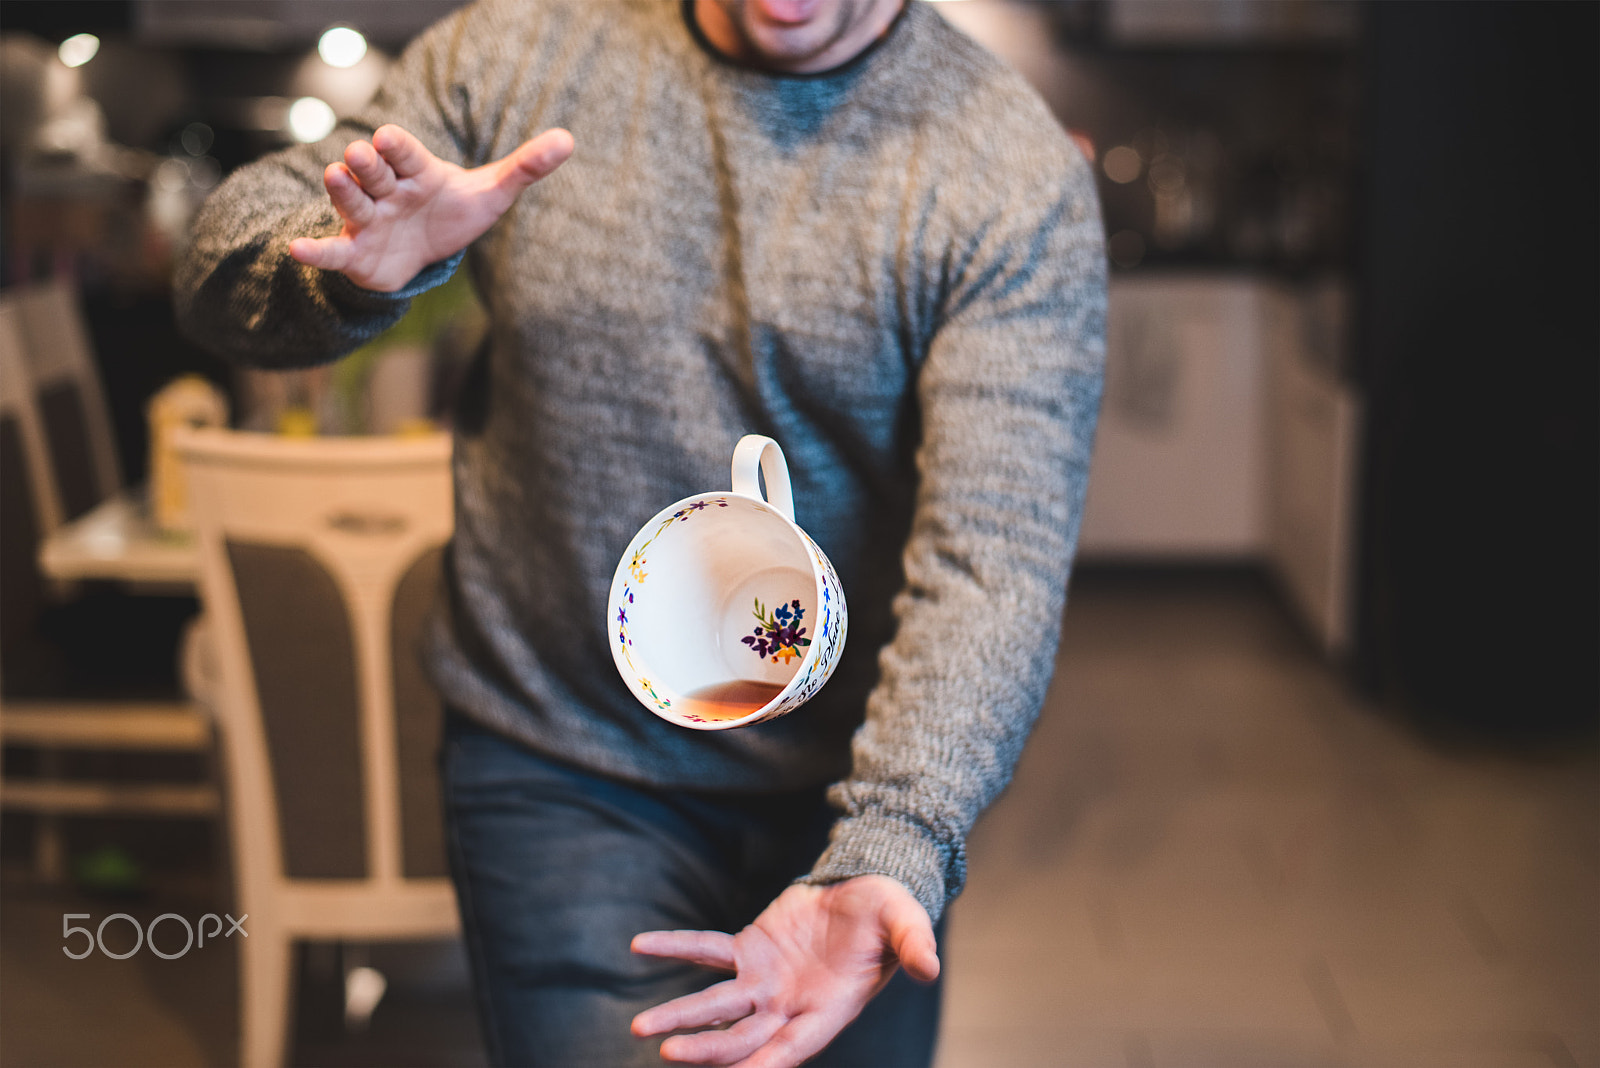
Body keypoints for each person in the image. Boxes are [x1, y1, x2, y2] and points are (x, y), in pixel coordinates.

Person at [176, 1, 1105, 1064]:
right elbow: (214, 275)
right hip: (559, 759)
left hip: (852, 784)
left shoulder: (1006, 169)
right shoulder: (519, 52)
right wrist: (335, 267)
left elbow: (993, 560)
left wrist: (896, 836)